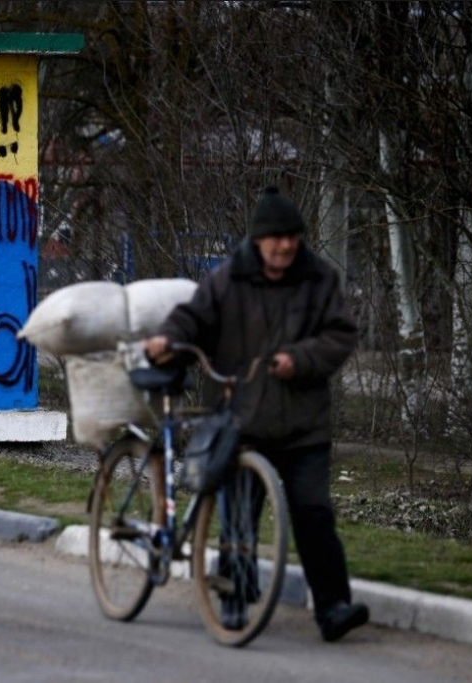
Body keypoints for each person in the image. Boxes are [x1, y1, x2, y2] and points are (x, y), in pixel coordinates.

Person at [144, 186, 369, 642]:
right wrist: (169, 339)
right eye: (277, 237)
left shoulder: (319, 279)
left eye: (293, 237)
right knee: (239, 517)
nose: (286, 245)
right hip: (243, 421)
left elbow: (341, 334)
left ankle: (333, 608)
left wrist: (301, 359)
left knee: (314, 514)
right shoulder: (228, 280)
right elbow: (193, 318)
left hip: (305, 425)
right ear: (258, 240)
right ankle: (233, 599)